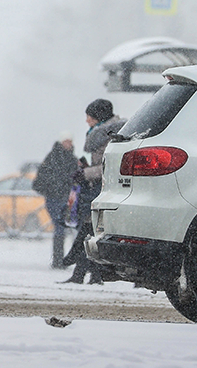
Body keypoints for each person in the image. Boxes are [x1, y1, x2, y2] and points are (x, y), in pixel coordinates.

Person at [61, 98, 126, 284]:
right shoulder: (101, 134)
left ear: (99, 117)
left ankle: (78, 266)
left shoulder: (111, 135)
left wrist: (85, 173)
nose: (87, 121)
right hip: (95, 188)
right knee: (92, 232)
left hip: (103, 189)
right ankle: (86, 274)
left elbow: (108, 167)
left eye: (89, 116)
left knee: (91, 232)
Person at [31, 132, 79, 269]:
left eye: (70, 141)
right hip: (55, 197)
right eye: (66, 141)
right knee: (60, 227)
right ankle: (59, 260)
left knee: (61, 228)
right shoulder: (55, 158)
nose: (68, 144)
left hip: (63, 198)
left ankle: (59, 260)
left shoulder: (66, 159)